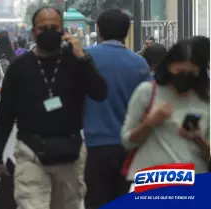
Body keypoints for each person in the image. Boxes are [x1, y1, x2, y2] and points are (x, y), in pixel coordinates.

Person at [0, 7, 107, 209]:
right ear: (33, 31)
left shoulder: (76, 61)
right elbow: (6, 113)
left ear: (63, 31)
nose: (48, 31)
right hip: (30, 152)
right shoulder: (19, 67)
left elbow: (100, 92)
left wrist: (82, 57)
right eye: (42, 27)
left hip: (70, 155)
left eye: (54, 27)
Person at [83, 9, 150, 209]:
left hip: (94, 144)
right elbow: (148, 105)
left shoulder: (86, 58)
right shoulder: (140, 64)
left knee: (95, 199)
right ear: (127, 32)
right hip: (128, 147)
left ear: (99, 30)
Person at [121, 39, 210, 190]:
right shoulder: (147, 92)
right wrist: (149, 123)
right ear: (169, 66)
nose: (185, 77)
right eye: (179, 71)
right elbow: (128, 141)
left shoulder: (205, 100)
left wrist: (197, 138)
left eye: (191, 72)